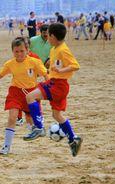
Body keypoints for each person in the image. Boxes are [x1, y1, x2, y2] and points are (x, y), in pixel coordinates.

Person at [0, 38, 48, 155]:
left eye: (22, 51)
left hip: (31, 93)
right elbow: (0, 74)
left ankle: (35, 129)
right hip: (15, 92)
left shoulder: (35, 62)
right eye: (16, 51)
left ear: (27, 50)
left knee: (32, 120)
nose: (19, 54)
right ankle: (6, 146)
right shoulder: (10, 64)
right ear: (13, 51)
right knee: (12, 117)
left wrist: (50, 87)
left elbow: (45, 75)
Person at [24, 23, 82, 157]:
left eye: (48, 35)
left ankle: (38, 128)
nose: (47, 38)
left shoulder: (62, 49)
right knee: (57, 115)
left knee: (30, 97)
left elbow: (75, 65)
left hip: (58, 85)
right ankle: (73, 139)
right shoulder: (55, 48)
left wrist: (61, 70)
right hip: (56, 83)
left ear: (53, 36)